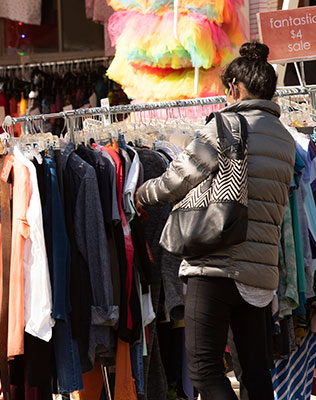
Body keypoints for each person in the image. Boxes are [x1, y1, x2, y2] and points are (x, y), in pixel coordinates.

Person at [136, 42, 296, 400]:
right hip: (260, 274)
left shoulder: (225, 126)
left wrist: (141, 193)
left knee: (204, 367)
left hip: (217, 265)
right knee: (255, 370)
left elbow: (178, 178)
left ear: (235, 89)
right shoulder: (286, 140)